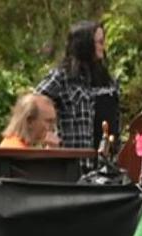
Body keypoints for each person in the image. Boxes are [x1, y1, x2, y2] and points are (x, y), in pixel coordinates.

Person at [35, 20, 119, 150]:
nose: (103, 47)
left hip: (105, 163)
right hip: (74, 164)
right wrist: (46, 134)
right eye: (100, 42)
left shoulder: (107, 80)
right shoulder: (63, 77)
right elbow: (32, 103)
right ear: (86, 45)